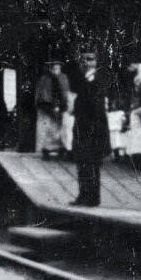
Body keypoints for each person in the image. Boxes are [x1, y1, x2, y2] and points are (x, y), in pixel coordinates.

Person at [70, 49, 112, 207]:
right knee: (82, 162)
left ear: (95, 62)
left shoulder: (97, 81)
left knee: (91, 163)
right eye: (84, 60)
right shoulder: (83, 80)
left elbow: (97, 108)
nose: (86, 63)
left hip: (93, 129)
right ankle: (83, 194)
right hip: (82, 127)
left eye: (90, 59)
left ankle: (93, 197)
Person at [34, 60, 71, 158]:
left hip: (61, 107)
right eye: (54, 68)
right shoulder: (44, 79)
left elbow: (66, 92)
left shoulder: (63, 78)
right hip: (47, 107)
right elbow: (41, 94)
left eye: (58, 68)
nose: (55, 71)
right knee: (48, 129)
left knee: (60, 128)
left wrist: (64, 104)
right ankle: (46, 150)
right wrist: (48, 105)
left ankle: (60, 149)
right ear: (50, 69)